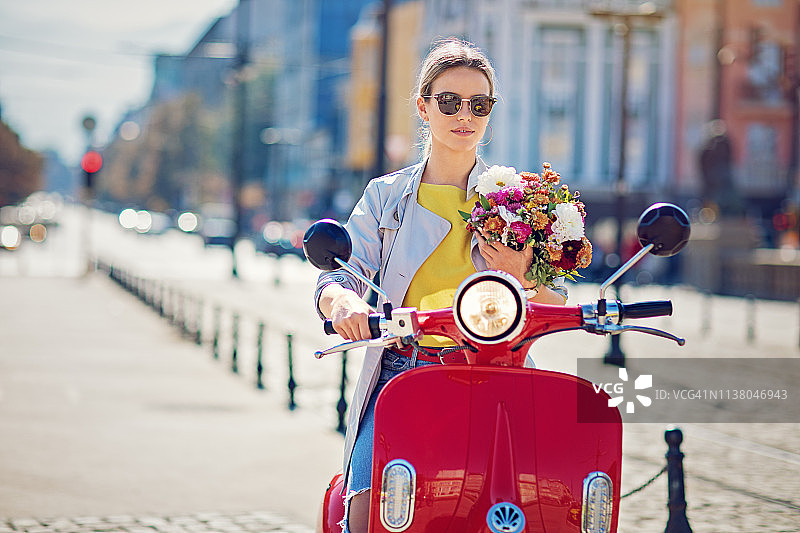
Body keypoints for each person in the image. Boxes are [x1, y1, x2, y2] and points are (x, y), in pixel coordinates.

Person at [313, 37, 568, 533]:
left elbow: (556, 298)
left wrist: (524, 278)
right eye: (449, 101)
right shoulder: (385, 197)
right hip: (404, 373)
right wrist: (341, 301)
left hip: (498, 374)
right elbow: (341, 269)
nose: (464, 115)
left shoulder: (514, 197)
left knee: (537, 509)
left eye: (479, 104)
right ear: (423, 107)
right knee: (365, 513)